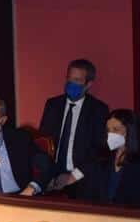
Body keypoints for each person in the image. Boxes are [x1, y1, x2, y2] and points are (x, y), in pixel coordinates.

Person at [39, 58, 110, 195]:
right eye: (69, 79)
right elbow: (44, 141)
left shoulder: (98, 110)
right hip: (52, 176)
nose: (71, 84)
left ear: (88, 84)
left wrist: (73, 176)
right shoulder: (53, 105)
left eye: (77, 80)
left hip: (82, 177)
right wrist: (46, 174)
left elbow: (99, 150)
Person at [76, 108, 140, 208]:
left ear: (129, 130)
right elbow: (89, 191)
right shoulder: (101, 155)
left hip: (129, 215)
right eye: (108, 130)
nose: (110, 135)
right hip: (100, 213)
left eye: (116, 130)